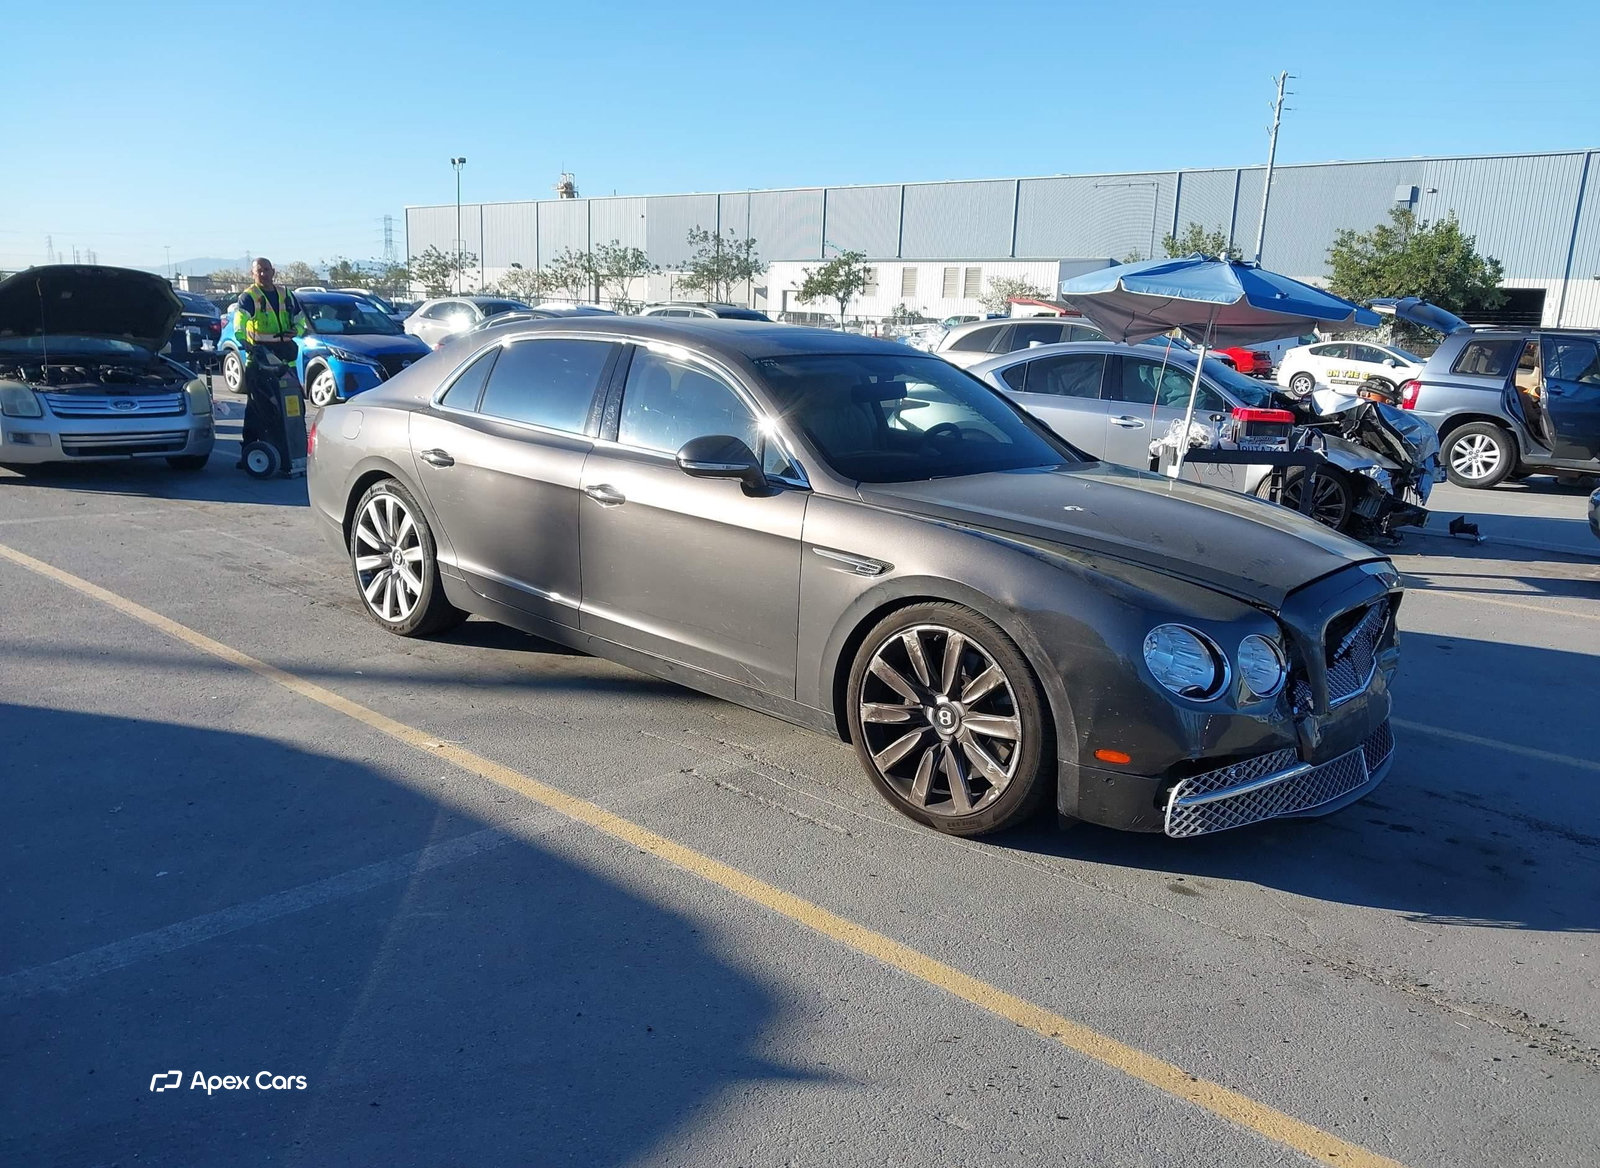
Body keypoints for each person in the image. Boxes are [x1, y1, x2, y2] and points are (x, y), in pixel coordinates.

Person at [233, 258, 308, 470]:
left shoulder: (286, 295)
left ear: (273, 271)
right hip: (259, 359)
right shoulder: (249, 297)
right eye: (259, 271)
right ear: (253, 273)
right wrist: (246, 343)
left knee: (293, 407)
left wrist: (298, 330)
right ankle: (250, 450)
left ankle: (292, 449)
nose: (264, 274)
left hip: (285, 359)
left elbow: (300, 319)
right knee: (257, 408)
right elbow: (239, 324)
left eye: (267, 270)